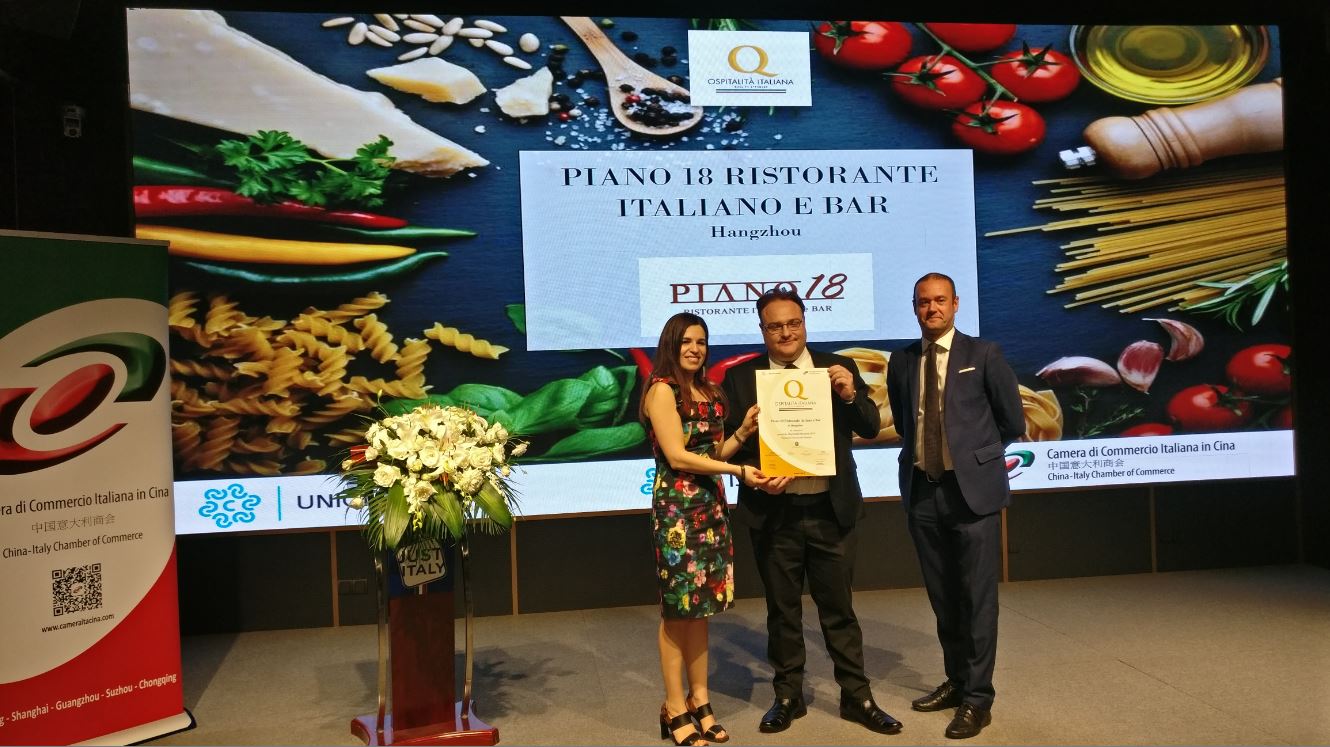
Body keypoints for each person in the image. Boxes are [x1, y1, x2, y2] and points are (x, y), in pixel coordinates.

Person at [721, 288, 903, 736]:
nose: (786, 333)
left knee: (839, 609)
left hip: (830, 509)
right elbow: (729, 446)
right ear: (762, 330)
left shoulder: (837, 367)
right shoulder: (742, 377)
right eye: (775, 326)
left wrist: (848, 394)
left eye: (793, 323)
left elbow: (869, 426)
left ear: (805, 323)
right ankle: (788, 695)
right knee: (782, 611)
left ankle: (856, 696)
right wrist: (752, 473)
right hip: (773, 512)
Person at [885, 272, 1024, 740]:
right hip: (923, 492)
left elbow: (1012, 420)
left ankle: (978, 699)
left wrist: (973, 459)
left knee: (977, 600)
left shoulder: (983, 354)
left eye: (940, 300)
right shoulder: (902, 361)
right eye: (924, 302)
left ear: (956, 304)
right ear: (914, 307)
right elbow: (904, 422)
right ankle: (958, 681)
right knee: (943, 597)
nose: (932, 309)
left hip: (972, 493)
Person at [642, 312, 764, 746]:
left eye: (701, 342)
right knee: (678, 611)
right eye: (687, 342)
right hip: (678, 513)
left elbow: (711, 453)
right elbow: (678, 456)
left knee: (701, 609)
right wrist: (739, 470)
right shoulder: (663, 390)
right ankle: (674, 705)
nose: (695, 349)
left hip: (711, 509)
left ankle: (701, 699)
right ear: (671, 345)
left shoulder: (709, 391)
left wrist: (743, 433)